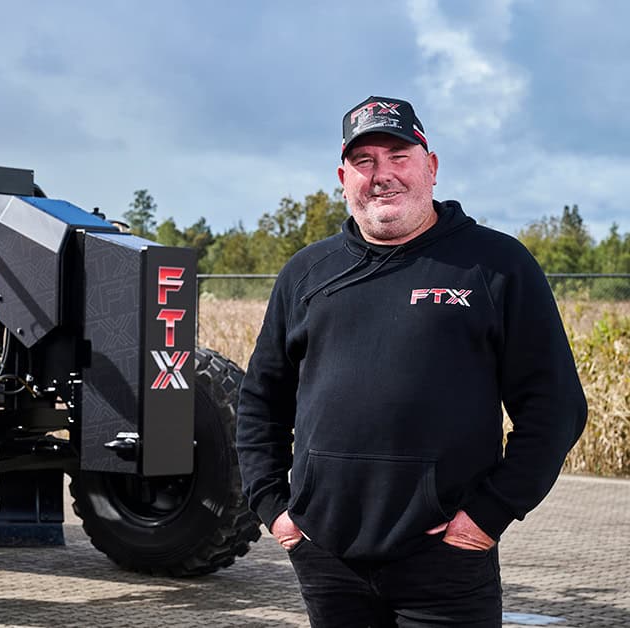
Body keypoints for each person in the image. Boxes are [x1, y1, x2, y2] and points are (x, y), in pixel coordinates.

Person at [235, 95, 588, 627]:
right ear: (343, 176)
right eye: (365, 161)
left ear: (432, 166)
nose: (382, 175)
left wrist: (486, 517)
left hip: (446, 561)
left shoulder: (495, 265)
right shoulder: (306, 273)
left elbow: (556, 408)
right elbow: (261, 400)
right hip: (326, 560)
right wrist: (275, 511)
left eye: (398, 156)